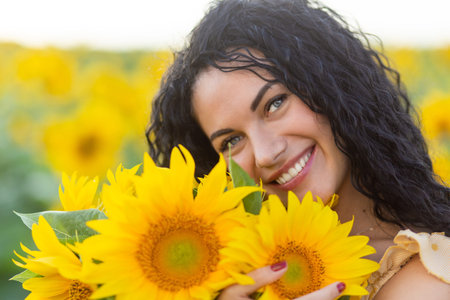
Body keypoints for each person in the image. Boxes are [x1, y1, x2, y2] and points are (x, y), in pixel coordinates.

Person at [146, 0, 450, 299]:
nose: (265, 154)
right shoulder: (231, 276)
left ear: (332, 85)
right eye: (231, 141)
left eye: (275, 104)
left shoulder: (429, 278)